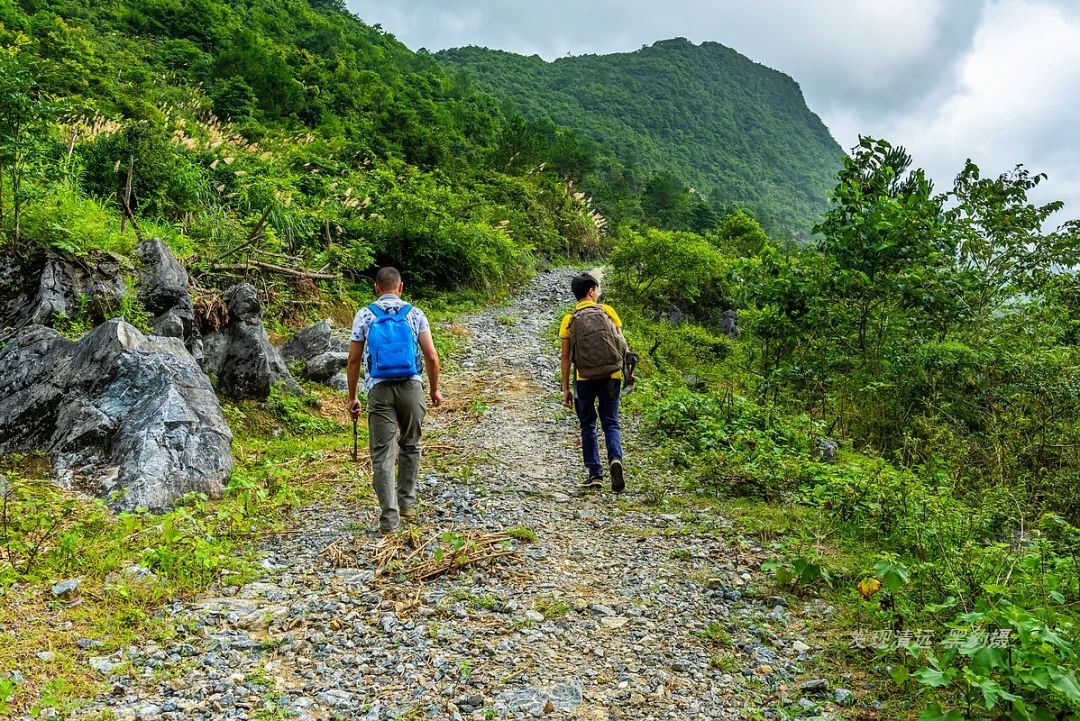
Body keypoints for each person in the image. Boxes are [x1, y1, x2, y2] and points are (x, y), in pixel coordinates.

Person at [347, 267, 443, 535]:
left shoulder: (365, 314)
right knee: (410, 445)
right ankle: (407, 506)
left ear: (377, 288)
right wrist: (435, 390)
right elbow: (432, 357)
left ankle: (389, 519)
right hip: (412, 386)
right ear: (401, 287)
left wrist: (353, 396)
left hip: (379, 389)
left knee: (382, 454)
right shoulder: (415, 313)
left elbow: (353, 359)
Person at [560, 272, 628, 492]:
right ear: (591, 291)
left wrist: (566, 388)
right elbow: (621, 343)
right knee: (611, 421)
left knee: (588, 424)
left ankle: (595, 474)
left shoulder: (569, 319)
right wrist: (628, 373)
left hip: (584, 378)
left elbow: (565, 356)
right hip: (612, 375)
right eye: (596, 290)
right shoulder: (608, 312)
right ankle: (615, 459)